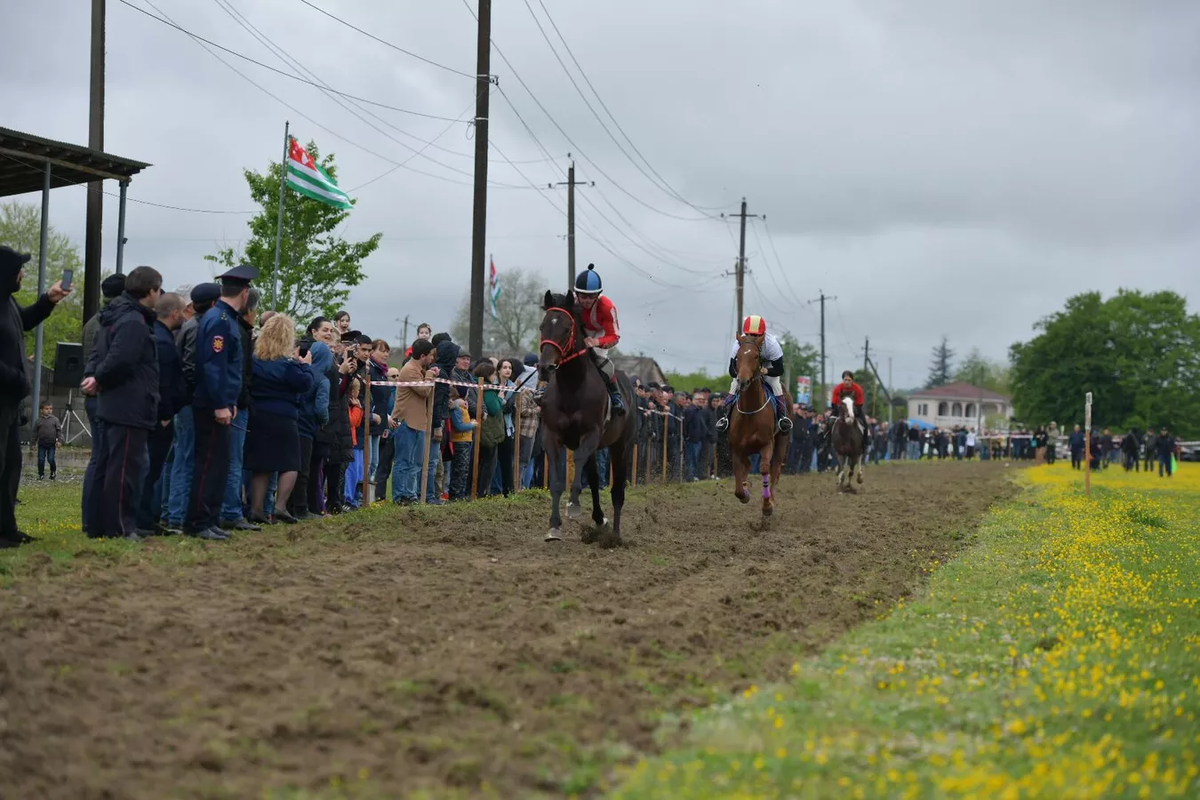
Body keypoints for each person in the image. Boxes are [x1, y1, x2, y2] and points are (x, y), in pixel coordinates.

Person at [81, 265, 163, 540]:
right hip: (129, 404)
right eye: (158, 289)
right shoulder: (133, 321)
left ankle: (99, 525)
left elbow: (98, 353)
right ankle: (120, 526)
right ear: (151, 291)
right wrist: (99, 378)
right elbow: (122, 359)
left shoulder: (114, 316)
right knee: (124, 469)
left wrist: (94, 376)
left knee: (108, 465)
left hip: (115, 404)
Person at [185, 264, 257, 541]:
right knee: (209, 464)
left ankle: (209, 519)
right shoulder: (219, 320)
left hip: (222, 402)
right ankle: (199, 521)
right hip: (211, 404)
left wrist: (229, 400)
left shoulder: (224, 319)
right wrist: (220, 403)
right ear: (245, 292)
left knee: (218, 463)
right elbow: (214, 367)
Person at [244, 314, 314, 524]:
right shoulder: (288, 365)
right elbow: (305, 384)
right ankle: (280, 506)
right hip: (284, 416)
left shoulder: (255, 361)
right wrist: (306, 365)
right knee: (291, 462)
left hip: (259, 414)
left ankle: (256, 508)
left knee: (261, 464)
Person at [714, 315, 791, 435]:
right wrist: (739, 375)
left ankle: (782, 418)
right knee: (734, 385)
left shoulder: (772, 344)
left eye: (756, 335)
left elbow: (779, 369)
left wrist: (766, 371)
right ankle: (725, 418)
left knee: (776, 385)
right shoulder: (738, 344)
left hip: (768, 367)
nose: (753, 338)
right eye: (750, 334)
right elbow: (731, 370)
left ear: (763, 334)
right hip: (746, 368)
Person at [569, 263, 626, 415]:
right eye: (583, 296)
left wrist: (596, 342)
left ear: (598, 295)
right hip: (579, 329)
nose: (587, 300)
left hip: (600, 332)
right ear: (576, 293)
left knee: (601, 361)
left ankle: (616, 395)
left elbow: (614, 336)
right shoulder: (571, 301)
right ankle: (544, 386)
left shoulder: (607, 307)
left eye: (591, 296)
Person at [831, 370, 868, 435]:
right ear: (843, 380)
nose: (847, 382)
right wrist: (840, 411)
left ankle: (865, 442)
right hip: (840, 409)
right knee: (830, 422)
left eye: (849, 380)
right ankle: (827, 441)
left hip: (855, 409)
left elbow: (860, 404)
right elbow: (833, 403)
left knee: (864, 423)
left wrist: (852, 412)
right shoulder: (837, 388)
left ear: (852, 380)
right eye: (845, 380)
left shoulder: (858, 389)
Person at [33, 402, 61, 480]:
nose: (49, 410)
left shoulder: (55, 420)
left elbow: (59, 431)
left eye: (50, 409)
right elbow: (34, 433)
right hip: (41, 444)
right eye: (46, 409)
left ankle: (53, 472)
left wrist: (59, 441)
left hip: (51, 444)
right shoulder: (38, 421)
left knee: (50, 459)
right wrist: (33, 443)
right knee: (41, 459)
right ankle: (41, 474)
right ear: (42, 410)